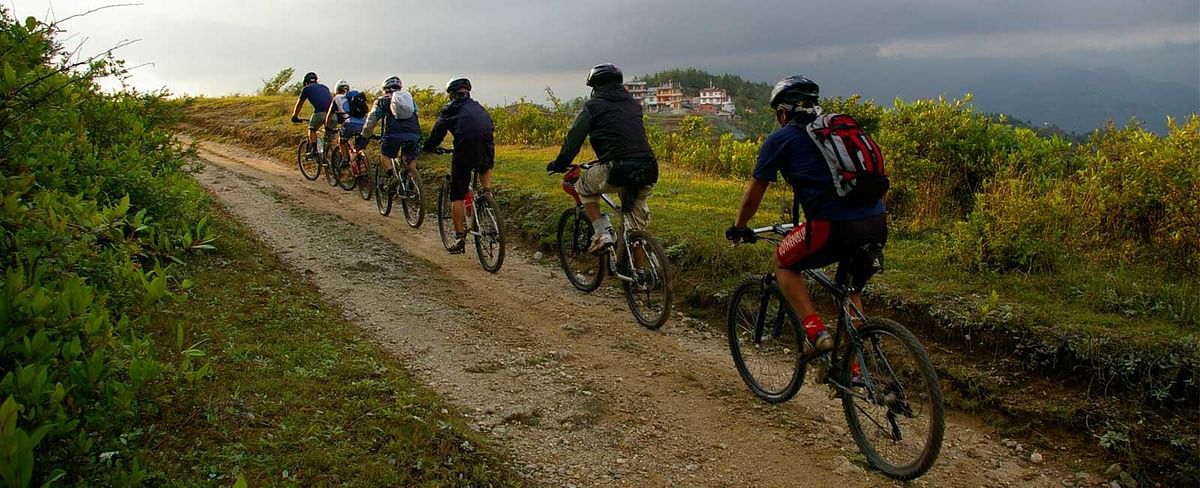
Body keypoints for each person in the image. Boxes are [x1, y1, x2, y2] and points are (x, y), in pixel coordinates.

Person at [725, 75, 887, 353]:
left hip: (831, 226)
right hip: (876, 222)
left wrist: (739, 226)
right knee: (851, 292)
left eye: (778, 114)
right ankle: (857, 369)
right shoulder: (835, 132)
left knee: (784, 263)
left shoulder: (781, 139)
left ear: (783, 112)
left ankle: (815, 332)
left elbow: (754, 194)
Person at [545, 63, 658, 254]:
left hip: (618, 168)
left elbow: (574, 139)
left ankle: (602, 232)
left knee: (582, 186)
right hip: (648, 168)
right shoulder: (634, 105)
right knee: (635, 229)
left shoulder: (593, 106)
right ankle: (641, 277)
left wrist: (560, 163)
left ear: (595, 87)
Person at [422, 77, 496, 254]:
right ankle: (487, 193)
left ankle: (460, 238)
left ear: (451, 95)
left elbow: (437, 133)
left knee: (457, 195)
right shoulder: (478, 106)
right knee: (484, 164)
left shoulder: (450, 109)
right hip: (487, 144)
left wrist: (429, 147)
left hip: (464, 148)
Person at [358, 76, 422, 185]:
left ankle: (392, 177)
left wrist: (365, 136)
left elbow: (371, 121)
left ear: (385, 89)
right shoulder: (410, 99)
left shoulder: (382, 101)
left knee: (385, 155)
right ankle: (413, 181)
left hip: (393, 134)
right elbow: (416, 114)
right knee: (410, 158)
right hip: (414, 133)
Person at [289, 72, 334, 158]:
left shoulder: (306, 88)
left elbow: (300, 103)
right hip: (333, 114)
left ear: (306, 82)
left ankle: (315, 151)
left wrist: (295, 116)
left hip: (320, 113)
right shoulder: (325, 87)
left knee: (312, 130)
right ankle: (329, 157)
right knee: (330, 136)